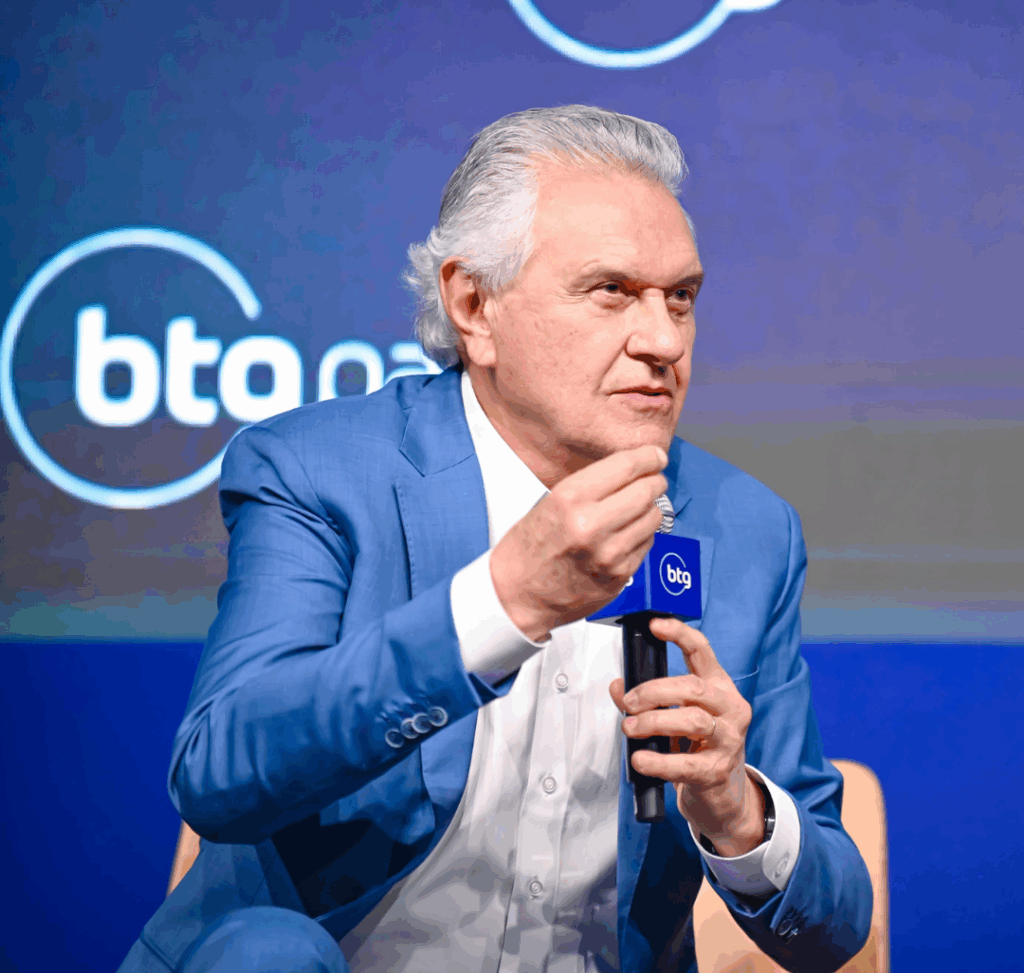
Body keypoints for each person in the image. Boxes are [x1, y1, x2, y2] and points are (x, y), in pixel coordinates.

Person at [119, 105, 872, 973]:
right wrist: (502, 604)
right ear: (473, 305)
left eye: (681, 298)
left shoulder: (745, 527)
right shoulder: (319, 471)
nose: (665, 340)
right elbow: (221, 772)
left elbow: (833, 929)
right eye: (611, 291)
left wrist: (737, 810)